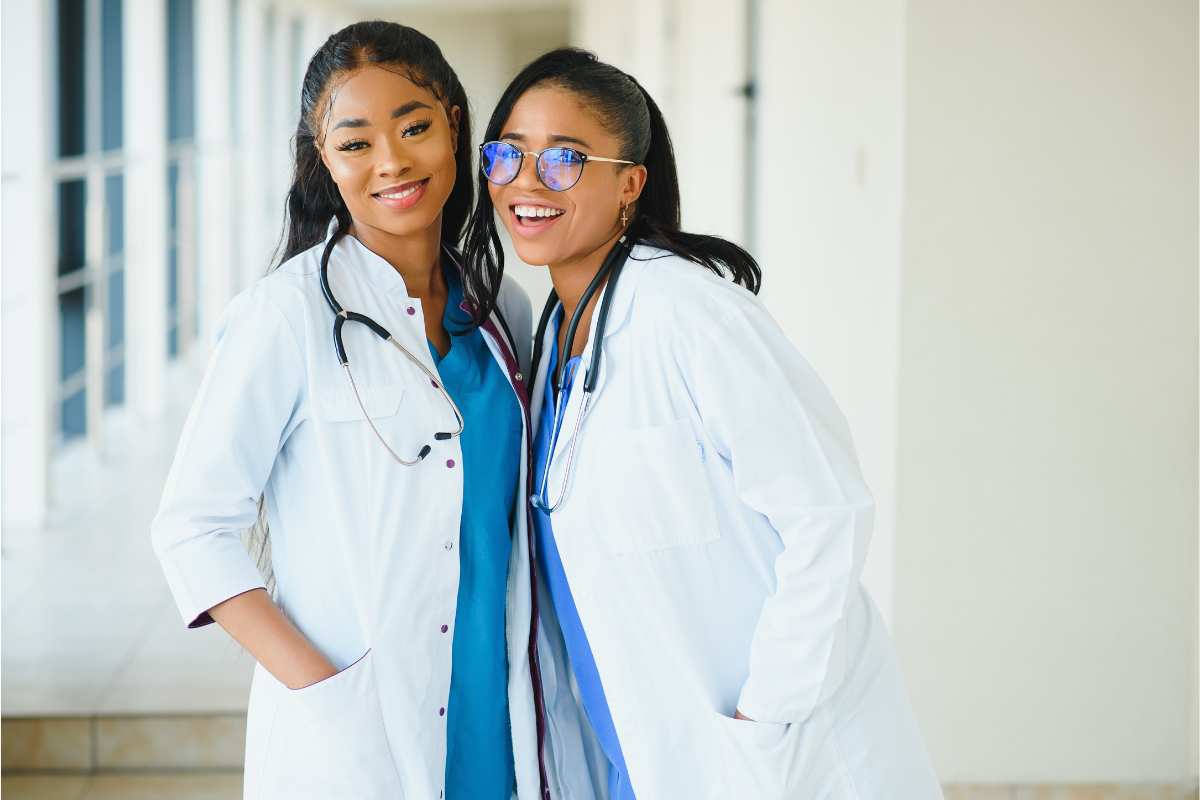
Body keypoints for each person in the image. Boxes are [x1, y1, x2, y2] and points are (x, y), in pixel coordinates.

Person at [462, 47, 943, 799]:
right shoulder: (553, 333)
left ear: (630, 182)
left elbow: (828, 514)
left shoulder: (694, 315)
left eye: (562, 159)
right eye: (507, 155)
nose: (526, 181)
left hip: (768, 750)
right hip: (637, 745)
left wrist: (766, 713)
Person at [151, 21, 549, 799]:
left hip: (493, 707)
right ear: (324, 160)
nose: (393, 162)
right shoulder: (285, 315)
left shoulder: (503, 307)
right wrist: (324, 692)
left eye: (414, 127)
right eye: (357, 142)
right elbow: (192, 528)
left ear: (453, 125)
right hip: (357, 730)